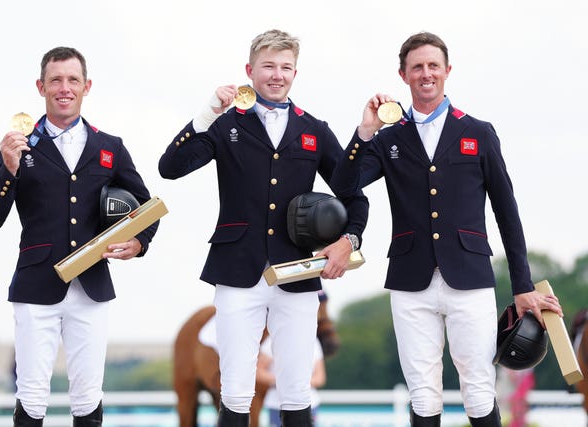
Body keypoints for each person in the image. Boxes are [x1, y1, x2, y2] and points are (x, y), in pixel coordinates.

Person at [330, 31, 563, 426]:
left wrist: (522, 285)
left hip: (469, 278)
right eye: (417, 67)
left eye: (433, 65)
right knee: (422, 392)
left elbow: (508, 213)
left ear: (447, 71)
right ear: (403, 75)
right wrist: (365, 132)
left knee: (478, 387)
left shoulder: (479, 132)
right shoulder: (388, 140)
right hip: (409, 280)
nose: (426, 73)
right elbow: (344, 185)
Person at [158, 29, 368, 426]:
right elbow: (170, 168)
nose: (277, 75)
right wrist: (207, 113)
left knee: (296, 390)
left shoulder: (314, 129)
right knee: (236, 390)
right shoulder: (224, 125)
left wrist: (349, 240)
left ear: (295, 72)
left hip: (298, 272)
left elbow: (354, 194)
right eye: (268, 66)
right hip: (238, 270)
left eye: (285, 67)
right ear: (249, 70)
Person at [0, 46, 158, 427]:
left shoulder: (110, 147)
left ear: (86, 86)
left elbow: (147, 207)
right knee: (30, 395)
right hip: (35, 285)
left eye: (72, 80)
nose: (65, 87)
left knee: (88, 395)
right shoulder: (18, 145)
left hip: (92, 287)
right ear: (41, 86)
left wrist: (139, 242)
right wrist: (8, 172)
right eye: (56, 80)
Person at [256, 334, 326, 426]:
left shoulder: (313, 340)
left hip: (308, 402)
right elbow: (258, 372)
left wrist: (298, 382)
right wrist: (283, 380)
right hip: (278, 403)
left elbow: (320, 378)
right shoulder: (273, 340)